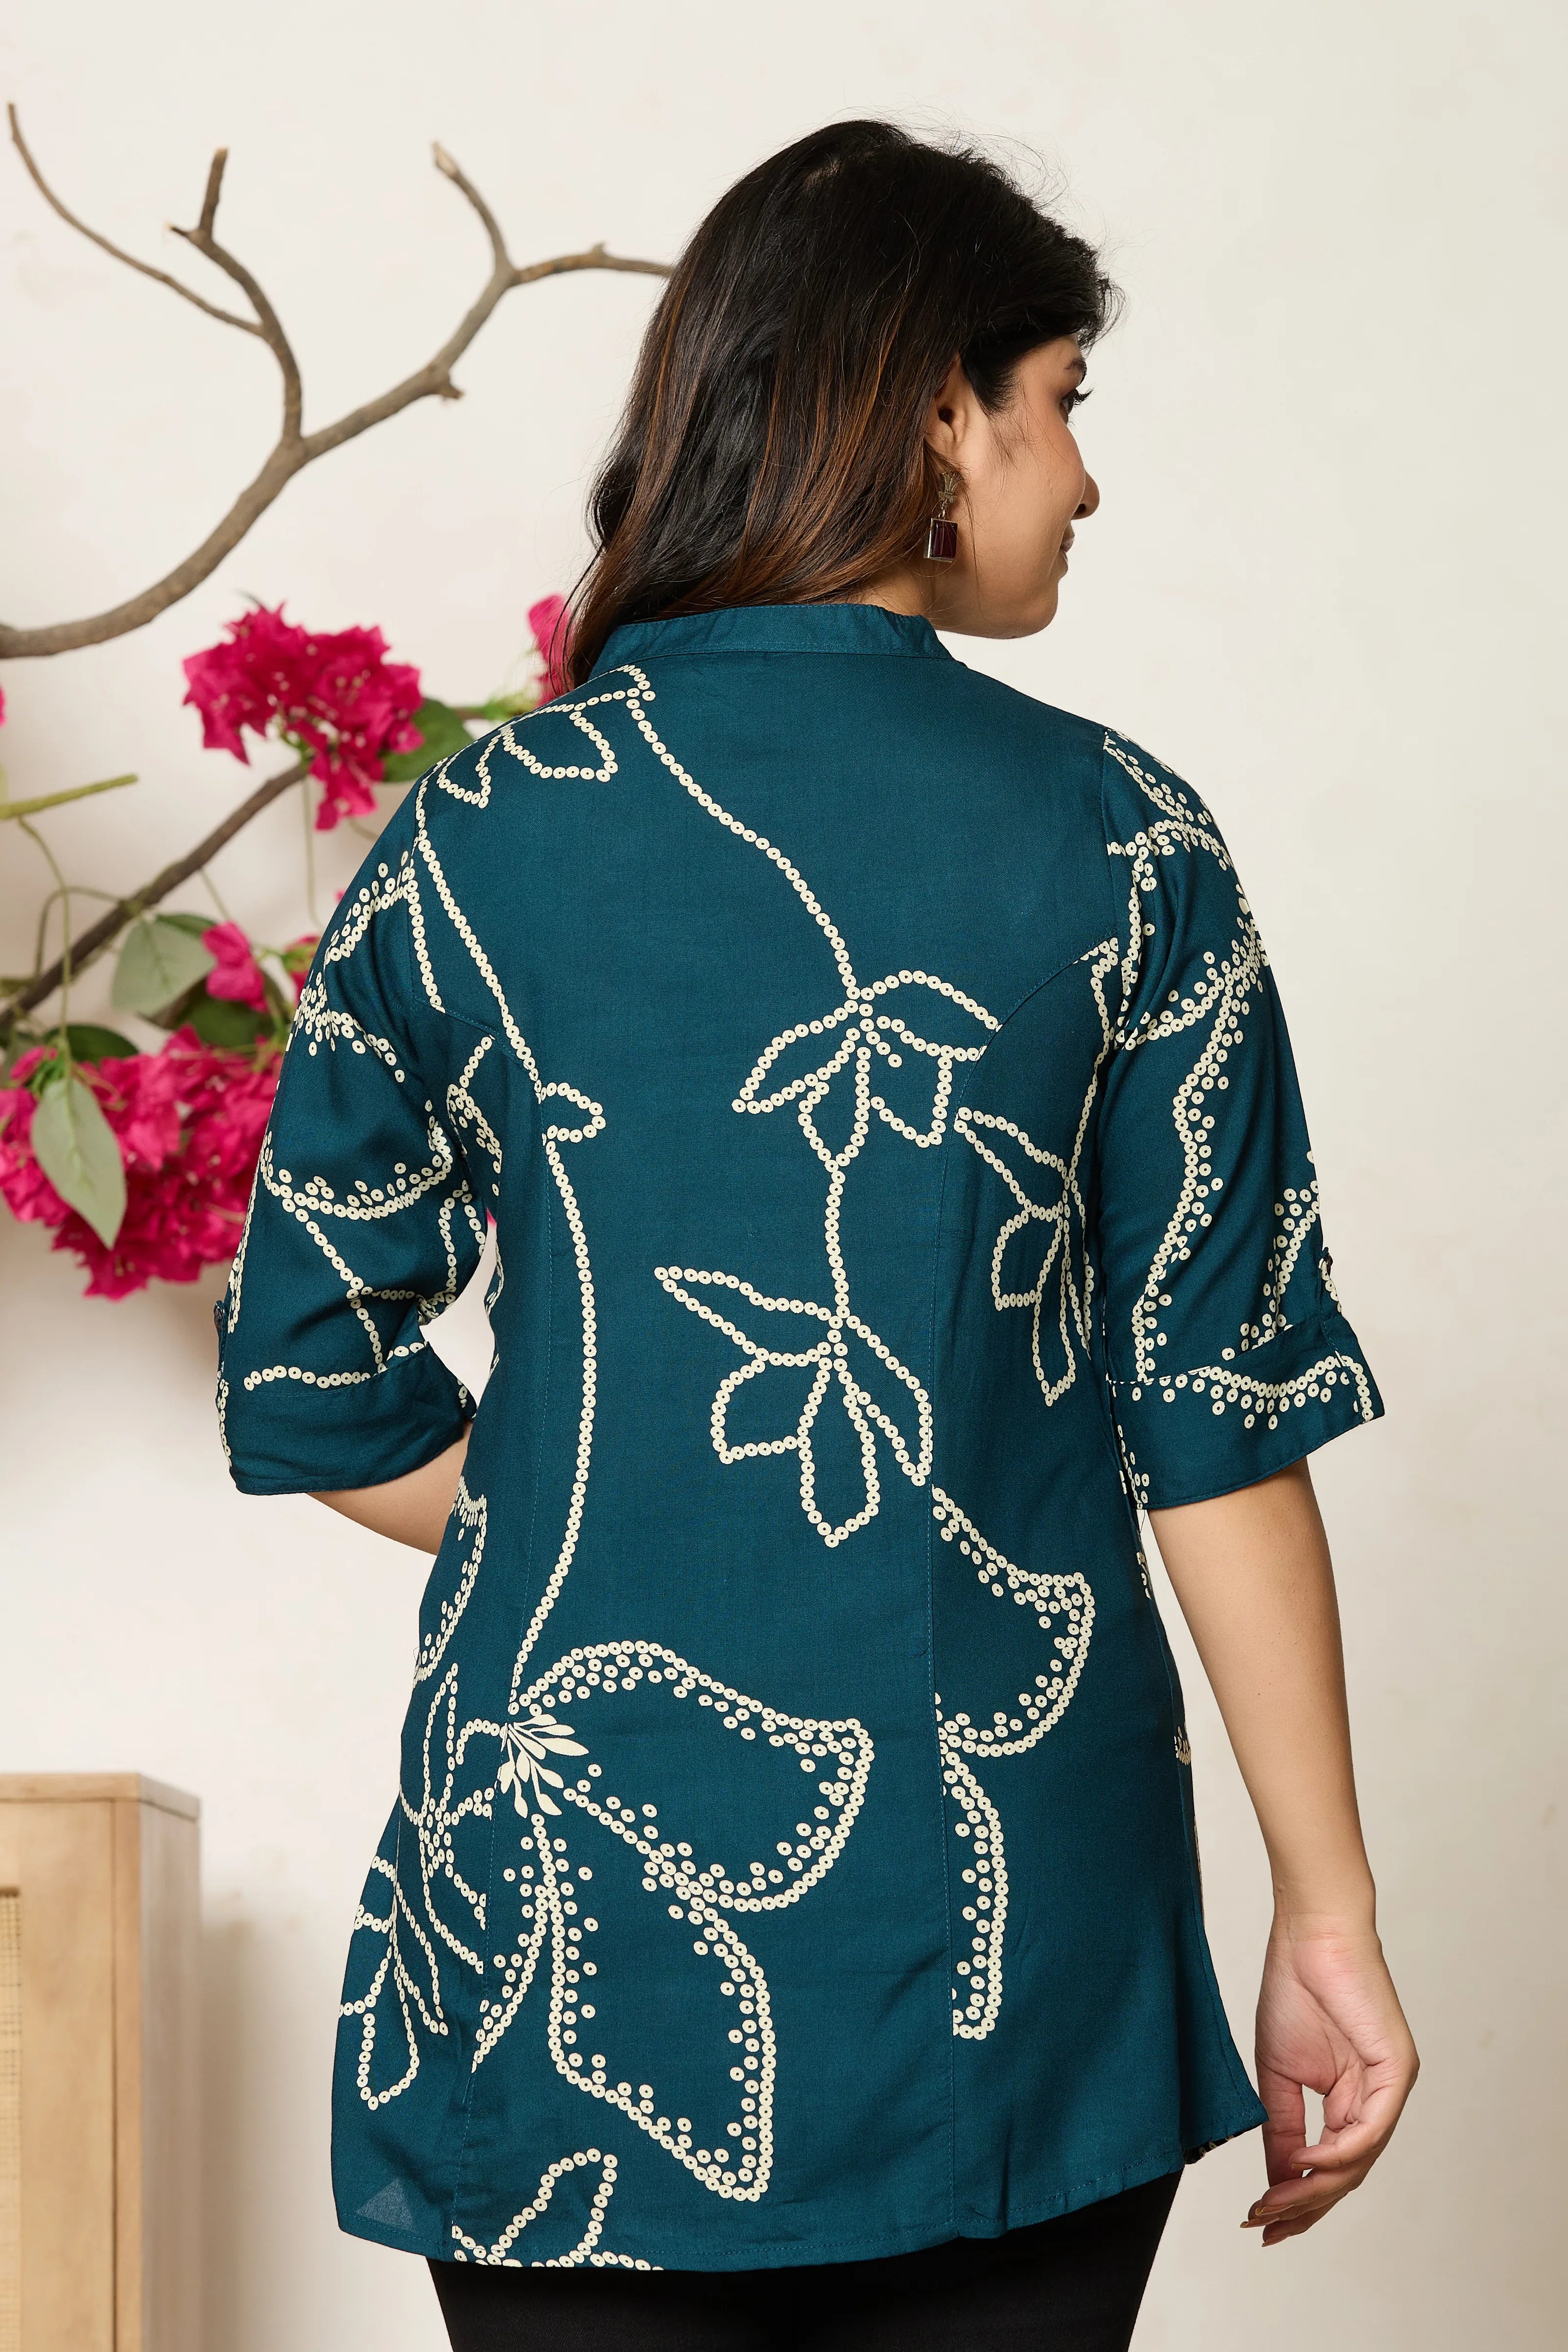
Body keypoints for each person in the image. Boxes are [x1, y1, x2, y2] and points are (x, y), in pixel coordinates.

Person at [217, 120, 1417, 2352]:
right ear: (937, 410)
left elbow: (307, 1383)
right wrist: (1324, 1910)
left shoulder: (469, 842)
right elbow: (1217, 1415)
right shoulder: (1122, 842)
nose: (1085, 476)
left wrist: (625, 1516)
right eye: (1061, 401)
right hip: (1016, 1958)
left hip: (550, 1973)